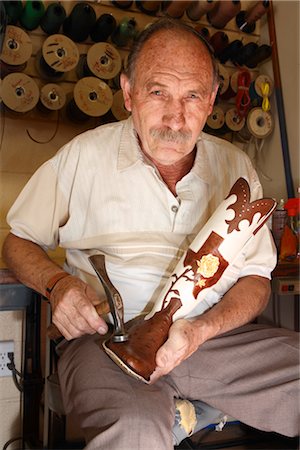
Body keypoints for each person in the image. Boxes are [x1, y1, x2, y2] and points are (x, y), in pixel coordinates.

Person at [2, 18, 299, 449]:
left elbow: (256, 280)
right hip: (108, 338)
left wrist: (201, 330)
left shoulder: (234, 166)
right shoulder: (84, 157)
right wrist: (58, 284)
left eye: (193, 96)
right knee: (134, 429)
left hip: (210, 337)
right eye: (158, 91)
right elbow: (18, 240)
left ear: (212, 98)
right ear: (128, 92)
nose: (175, 118)